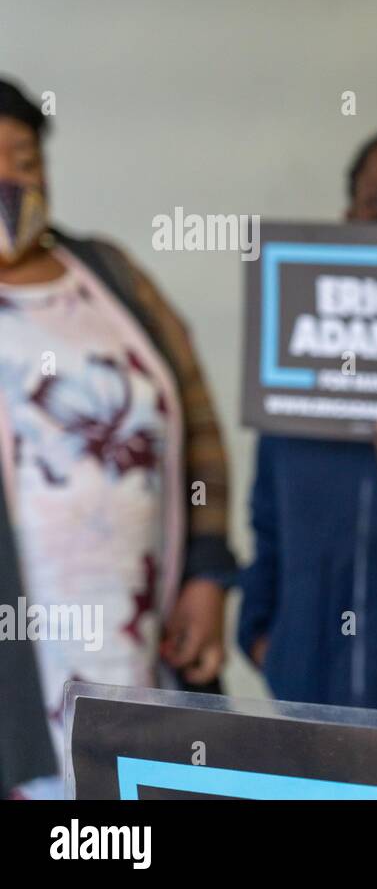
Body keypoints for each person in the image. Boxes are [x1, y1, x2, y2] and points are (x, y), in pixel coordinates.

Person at [0, 76, 237, 797]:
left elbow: (196, 422)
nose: (9, 179)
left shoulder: (110, 273)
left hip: (139, 620)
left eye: (24, 158)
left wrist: (207, 570)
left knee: (136, 791)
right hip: (23, 634)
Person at [237, 125, 377, 710]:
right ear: (350, 216)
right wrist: (265, 638)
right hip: (308, 708)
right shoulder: (294, 360)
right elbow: (268, 524)